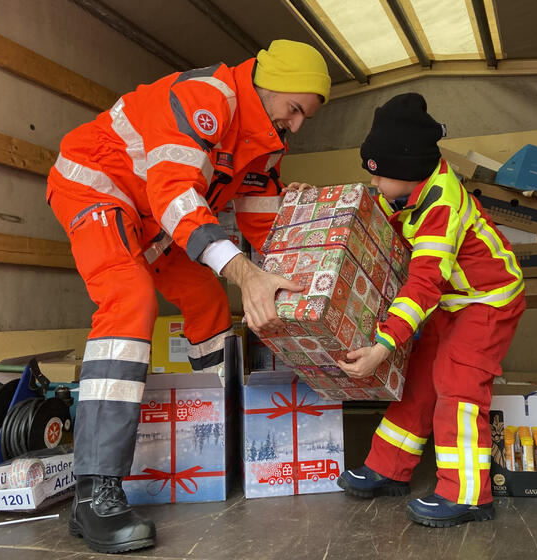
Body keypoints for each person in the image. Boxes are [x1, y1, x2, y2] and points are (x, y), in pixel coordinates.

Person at [46, 39, 330, 553]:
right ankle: (95, 492)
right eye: (295, 109)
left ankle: (221, 439)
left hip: (153, 221)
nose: (297, 124)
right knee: (129, 297)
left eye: (304, 116)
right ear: (269, 85)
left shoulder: (264, 142)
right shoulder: (207, 98)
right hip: (97, 188)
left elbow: (263, 224)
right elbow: (175, 194)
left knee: (207, 299)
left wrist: (297, 282)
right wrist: (247, 275)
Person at [336, 93, 525, 528]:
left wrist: (383, 346)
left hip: (488, 299)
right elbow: (368, 209)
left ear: (405, 172)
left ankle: (468, 495)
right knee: (418, 379)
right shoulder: (400, 192)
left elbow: (423, 284)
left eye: (379, 176)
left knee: (457, 384)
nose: (375, 185)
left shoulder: (442, 207)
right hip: (451, 301)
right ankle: (387, 468)